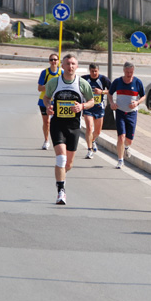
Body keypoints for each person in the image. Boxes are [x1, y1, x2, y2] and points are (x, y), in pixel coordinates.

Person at [43, 54, 95, 205]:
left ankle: (61, 177)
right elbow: (46, 98)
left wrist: (82, 106)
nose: (70, 66)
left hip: (74, 126)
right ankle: (61, 191)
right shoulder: (54, 83)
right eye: (67, 64)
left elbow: (91, 101)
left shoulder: (82, 83)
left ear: (77, 66)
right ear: (63, 66)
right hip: (57, 124)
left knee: (69, 164)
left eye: (73, 64)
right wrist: (48, 106)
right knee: (61, 158)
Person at [107, 61, 146, 169]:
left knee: (129, 140)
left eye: (131, 72)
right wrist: (112, 103)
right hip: (120, 112)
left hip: (132, 114)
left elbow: (143, 96)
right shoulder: (117, 82)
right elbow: (110, 93)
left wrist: (137, 102)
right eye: (127, 72)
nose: (129, 74)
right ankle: (120, 160)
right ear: (124, 71)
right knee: (121, 137)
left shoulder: (137, 82)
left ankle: (127, 147)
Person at [81, 63, 112, 159]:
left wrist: (102, 92)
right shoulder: (84, 79)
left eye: (96, 71)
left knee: (98, 131)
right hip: (88, 108)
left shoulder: (103, 79)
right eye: (92, 71)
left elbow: (111, 90)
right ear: (89, 71)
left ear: (98, 71)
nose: (94, 73)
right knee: (89, 128)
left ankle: (93, 140)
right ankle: (89, 150)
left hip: (99, 107)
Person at [37, 54, 62, 150]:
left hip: (57, 101)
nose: (53, 61)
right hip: (44, 100)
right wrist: (50, 86)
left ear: (58, 61)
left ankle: (59, 140)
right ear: (49, 61)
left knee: (58, 122)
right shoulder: (45, 72)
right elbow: (39, 88)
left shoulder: (61, 72)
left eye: (55, 60)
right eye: (51, 60)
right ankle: (46, 140)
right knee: (46, 122)